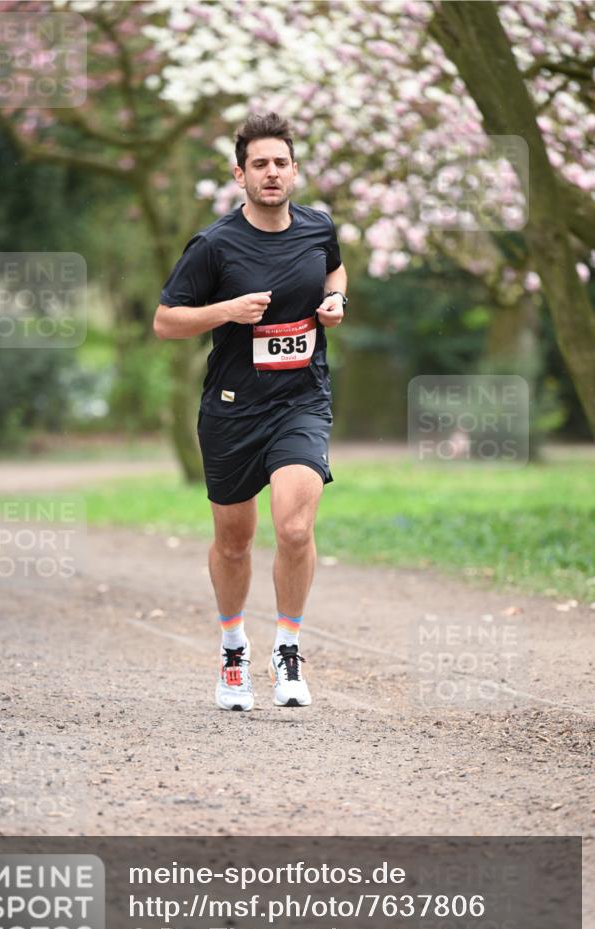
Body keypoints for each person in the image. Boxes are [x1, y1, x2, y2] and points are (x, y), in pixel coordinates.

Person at [153, 112, 347, 712]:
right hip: (234, 409)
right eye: (258, 164)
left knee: (294, 527)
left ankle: (287, 648)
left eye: (280, 163)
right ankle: (233, 648)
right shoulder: (214, 245)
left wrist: (336, 298)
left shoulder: (318, 228)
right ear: (240, 174)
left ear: (294, 171)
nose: (271, 173)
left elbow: (333, 269)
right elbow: (166, 322)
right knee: (234, 541)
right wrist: (227, 310)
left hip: (300, 400)